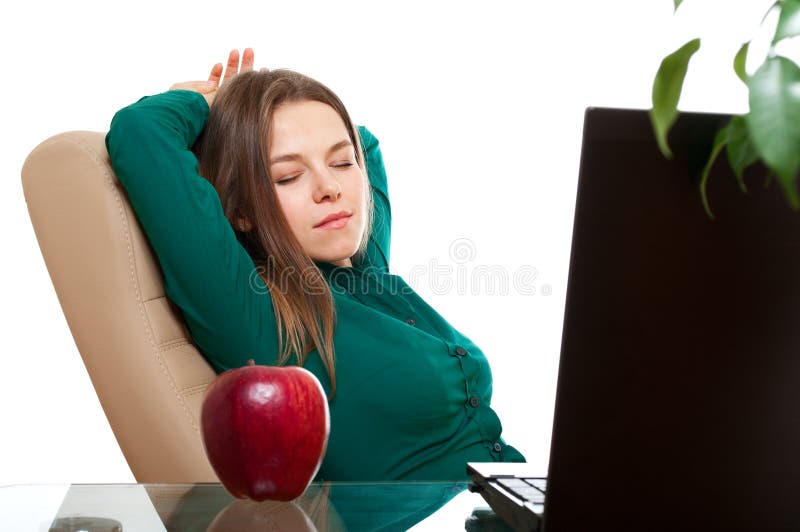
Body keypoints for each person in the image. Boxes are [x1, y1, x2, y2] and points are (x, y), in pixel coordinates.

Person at [106, 48, 525, 481]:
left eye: (342, 163)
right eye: (288, 176)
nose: (330, 188)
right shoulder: (251, 311)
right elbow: (141, 134)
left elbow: (367, 145)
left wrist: (258, 100)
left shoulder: (364, 273)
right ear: (241, 212)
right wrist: (212, 102)